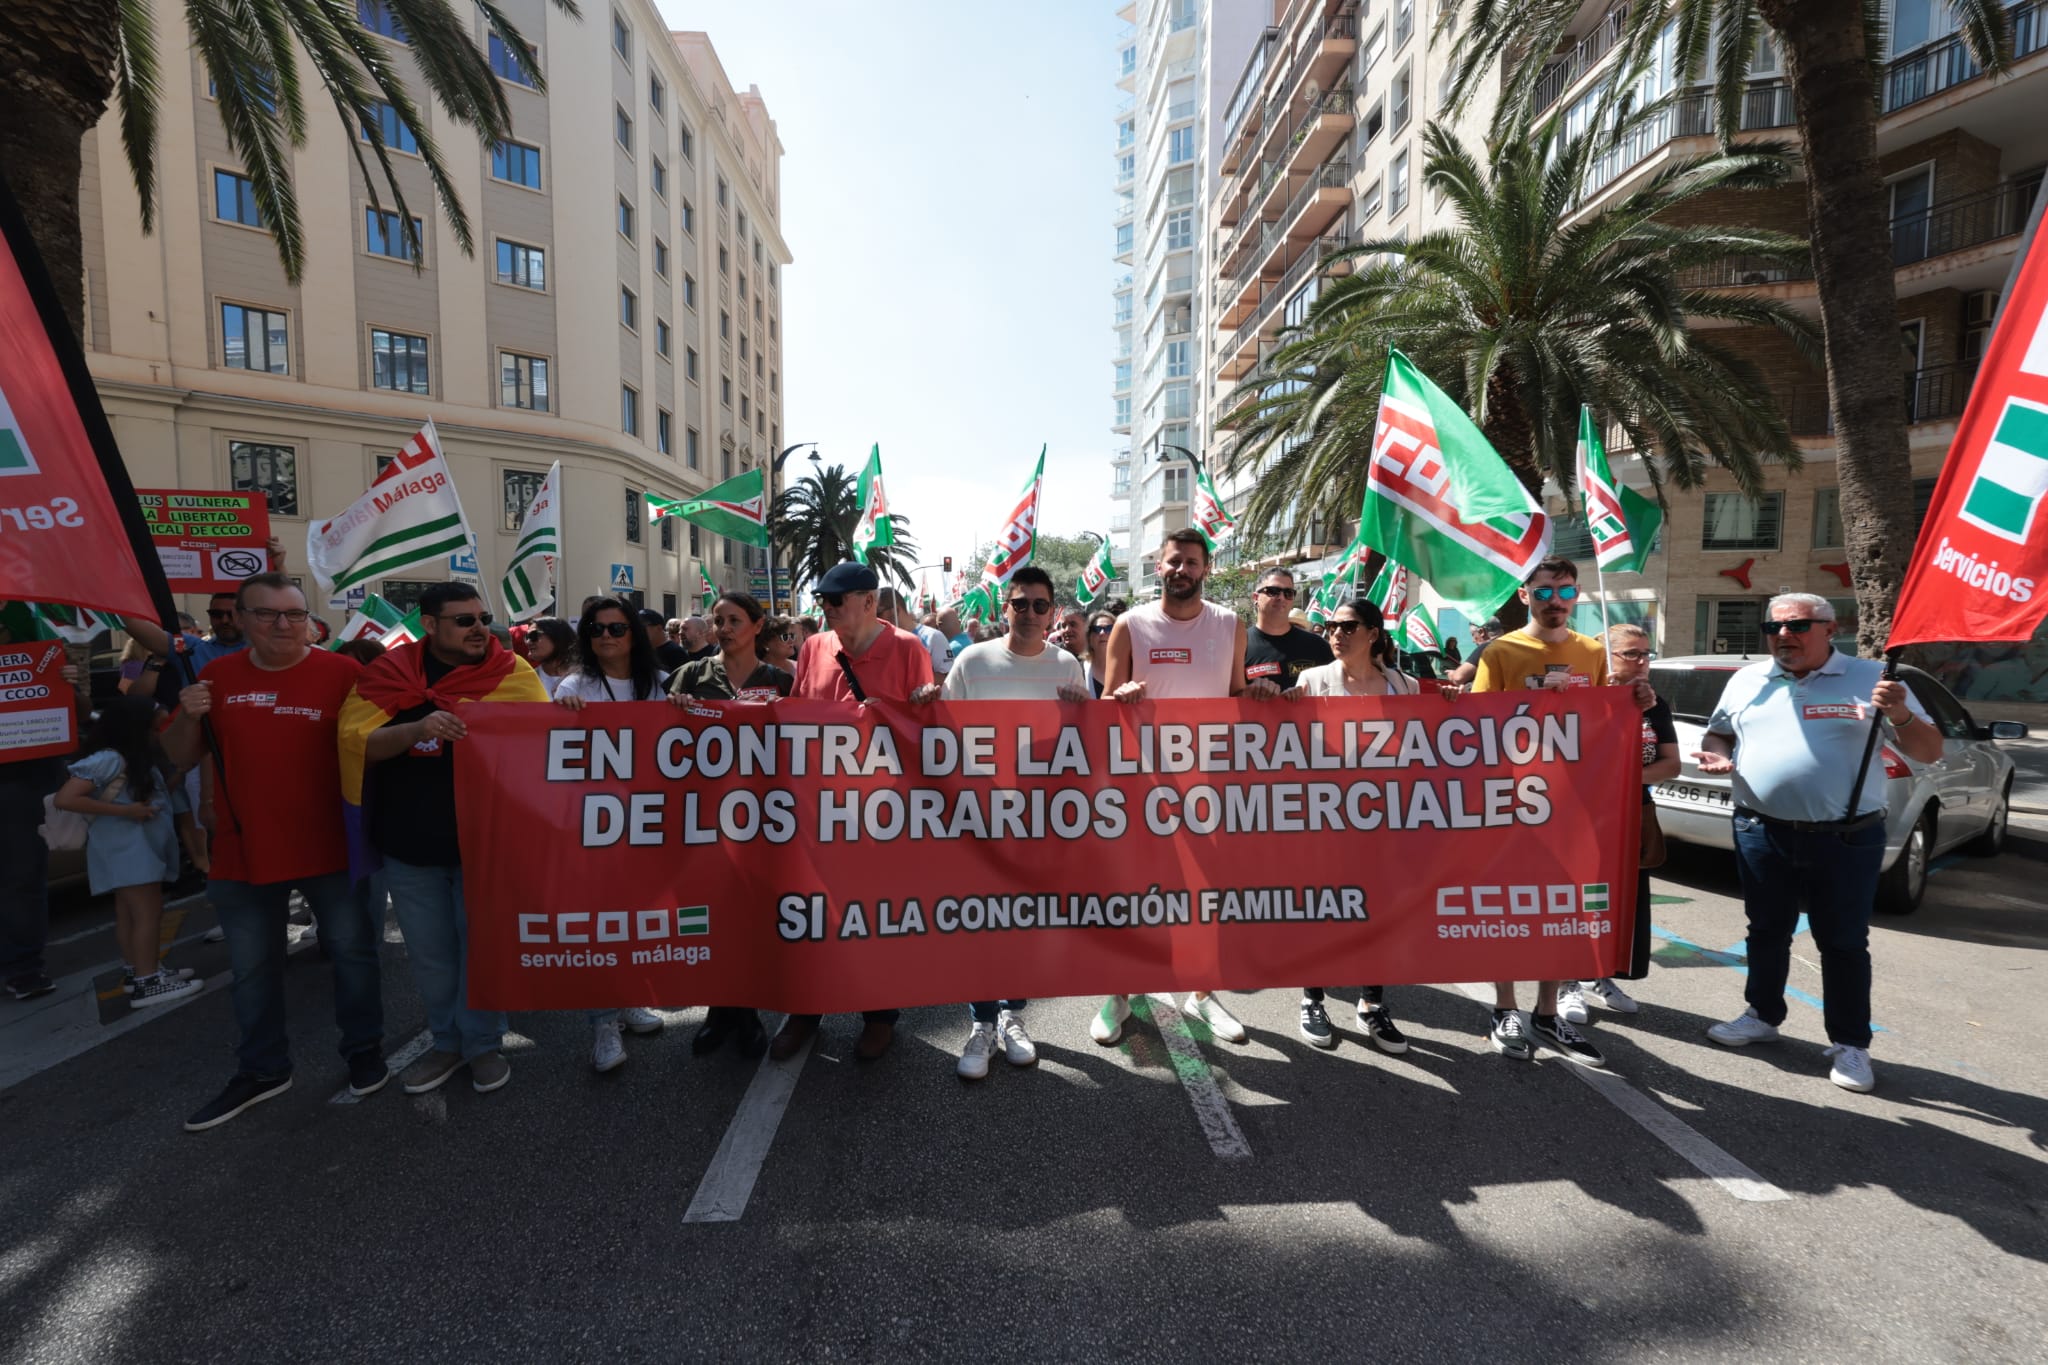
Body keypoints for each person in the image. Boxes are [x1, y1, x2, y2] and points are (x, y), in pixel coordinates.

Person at [167, 573, 388, 1130]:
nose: (283, 625)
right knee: (253, 970)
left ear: (310, 620)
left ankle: (364, 1051)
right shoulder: (214, 675)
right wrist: (188, 713)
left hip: (331, 846)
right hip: (243, 850)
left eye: (294, 613)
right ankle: (263, 1069)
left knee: (353, 955)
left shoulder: (345, 673)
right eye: (267, 614)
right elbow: (178, 759)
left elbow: (378, 746)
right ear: (241, 620)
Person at [1694, 593, 1939, 1094]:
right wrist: (1716, 755)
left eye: (1799, 625)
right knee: (1765, 930)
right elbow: (1719, 735)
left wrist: (1902, 715)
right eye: (1774, 626)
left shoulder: (1875, 678)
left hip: (1846, 837)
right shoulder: (1748, 680)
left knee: (1843, 942)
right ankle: (1762, 1015)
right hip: (1760, 829)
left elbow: (1928, 751)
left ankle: (1850, 1044)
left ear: (1831, 628)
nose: (1784, 635)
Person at [343, 584, 548, 1098]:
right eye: (463, 620)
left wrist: (565, 711)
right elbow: (356, 745)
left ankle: (481, 1045)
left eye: (482, 617)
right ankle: (446, 1043)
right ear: (429, 625)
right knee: (432, 955)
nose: (479, 628)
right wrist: (416, 728)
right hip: (409, 845)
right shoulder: (387, 675)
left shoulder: (513, 674)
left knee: (480, 950)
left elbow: (546, 746)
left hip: (486, 846)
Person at [911, 567, 1087, 1081]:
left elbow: (1086, 747)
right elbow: (943, 740)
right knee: (981, 921)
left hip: (1040, 822)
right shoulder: (972, 660)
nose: (1029, 613)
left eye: (1040, 605)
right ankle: (982, 1021)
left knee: (1025, 921)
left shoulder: (1068, 665)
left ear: (1052, 612)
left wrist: (1085, 711)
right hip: (981, 820)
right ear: (1003, 609)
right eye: (1020, 603)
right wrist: (923, 706)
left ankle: (1012, 1014)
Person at [1468, 558, 1642, 1068]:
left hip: (1575, 809)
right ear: (1525, 597)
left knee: (1563, 912)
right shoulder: (1500, 651)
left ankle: (1548, 1013)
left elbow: (1611, 724)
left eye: (1564, 591)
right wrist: (1527, 704)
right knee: (1506, 907)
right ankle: (1505, 1009)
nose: (1555, 601)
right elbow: (1474, 729)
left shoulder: (1593, 653)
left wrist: (1639, 701)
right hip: (1512, 805)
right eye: (1543, 593)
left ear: (1577, 595)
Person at [1095, 529, 1258, 1047]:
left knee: (1208, 899)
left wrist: (1264, 694)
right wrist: (1119, 696)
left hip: (1209, 789)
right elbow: (1102, 708)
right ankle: (1118, 995)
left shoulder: (1231, 625)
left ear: (1206, 569)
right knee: (1133, 895)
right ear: (1158, 567)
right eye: (1173, 562)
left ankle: (1204, 996)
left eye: (1191, 562)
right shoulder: (1130, 624)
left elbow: (1236, 695)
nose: (1181, 570)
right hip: (1141, 788)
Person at [770, 561, 934, 1062]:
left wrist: (926, 703)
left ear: (869, 602)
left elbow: (922, 727)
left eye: (837, 601)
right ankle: (804, 1012)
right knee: (812, 914)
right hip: (819, 808)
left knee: (875, 916)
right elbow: (797, 714)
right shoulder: (816, 647)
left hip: (883, 812)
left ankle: (879, 1015)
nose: (828, 609)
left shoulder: (908, 648)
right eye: (823, 601)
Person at [668, 591, 795, 1058]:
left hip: (766, 823)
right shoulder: (691, 675)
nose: (723, 628)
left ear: (758, 626)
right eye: (717, 620)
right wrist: (673, 709)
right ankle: (721, 1013)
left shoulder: (782, 681)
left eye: (734, 619)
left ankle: (747, 1013)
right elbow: (650, 737)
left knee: (754, 921)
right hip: (702, 822)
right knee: (712, 920)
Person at [1287, 600, 1412, 1053]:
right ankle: (1313, 998)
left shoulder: (1403, 686)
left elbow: (1431, 740)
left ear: (1373, 634)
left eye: (1348, 626)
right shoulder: (1311, 681)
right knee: (1322, 911)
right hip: (1326, 821)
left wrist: (1451, 701)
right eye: (1331, 626)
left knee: (1380, 915)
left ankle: (1372, 1004)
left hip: (1386, 822)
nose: (1336, 633)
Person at [551, 599, 671, 1071]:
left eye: (617, 628)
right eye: (596, 629)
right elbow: (553, 751)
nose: (606, 636)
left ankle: (628, 1000)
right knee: (602, 924)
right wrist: (560, 713)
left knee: (636, 919)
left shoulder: (661, 684)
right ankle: (603, 1024)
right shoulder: (574, 685)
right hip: (594, 827)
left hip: (650, 823)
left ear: (632, 635)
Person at [1558, 623, 1679, 1026]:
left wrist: (1624, 777)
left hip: (1632, 816)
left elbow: (1670, 764)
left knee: (1619, 906)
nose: (1643, 661)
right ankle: (1566, 982)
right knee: (1577, 901)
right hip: (1580, 818)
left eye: (1647, 653)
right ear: (1605, 655)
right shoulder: (1582, 698)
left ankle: (1602, 976)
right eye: (1631, 653)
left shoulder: (1654, 705)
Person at [51, 696, 204, 1008]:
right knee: (148, 912)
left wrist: (180, 772)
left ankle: (139, 972)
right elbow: (66, 798)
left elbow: (155, 796)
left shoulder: (132, 759)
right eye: (154, 728)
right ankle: (148, 982)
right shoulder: (110, 759)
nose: (158, 734)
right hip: (129, 849)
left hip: (131, 848)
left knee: (129, 913)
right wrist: (128, 812)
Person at [1245, 567, 1332, 692]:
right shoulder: (1240, 644)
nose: (1281, 597)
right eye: (1273, 591)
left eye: (1288, 593)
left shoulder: (1317, 645)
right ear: (1255, 598)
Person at [881, 587, 951, 681]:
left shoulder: (933, 637)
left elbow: (948, 679)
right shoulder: (883, 644)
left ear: (895, 611)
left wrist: (909, 678)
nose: (874, 620)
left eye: (877, 614)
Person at [521, 617, 577, 696]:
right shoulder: (526, 681)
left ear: (557, 637)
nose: (528, 642)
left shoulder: (585, 679)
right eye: (526, 637)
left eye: (534, 635)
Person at [1444, 617, 1503, 688]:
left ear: (1481, 632)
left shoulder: (1487, 646)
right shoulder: (1513, 644)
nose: (1473, 640)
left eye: (1473, 635)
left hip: (1490, 697)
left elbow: (1458, 678)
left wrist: (1452, 674)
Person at [642, 607, 690, 672]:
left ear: (659, 628)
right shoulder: (644, 650)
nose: (639, 630)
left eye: (643, 626)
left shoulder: (676, 653)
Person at [1084, 610, 1115, 697]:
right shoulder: (1079, 669)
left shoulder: (1129, 669)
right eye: (1097, 629)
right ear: (1089, 637)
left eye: (1109, 629)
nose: (1102, 633)